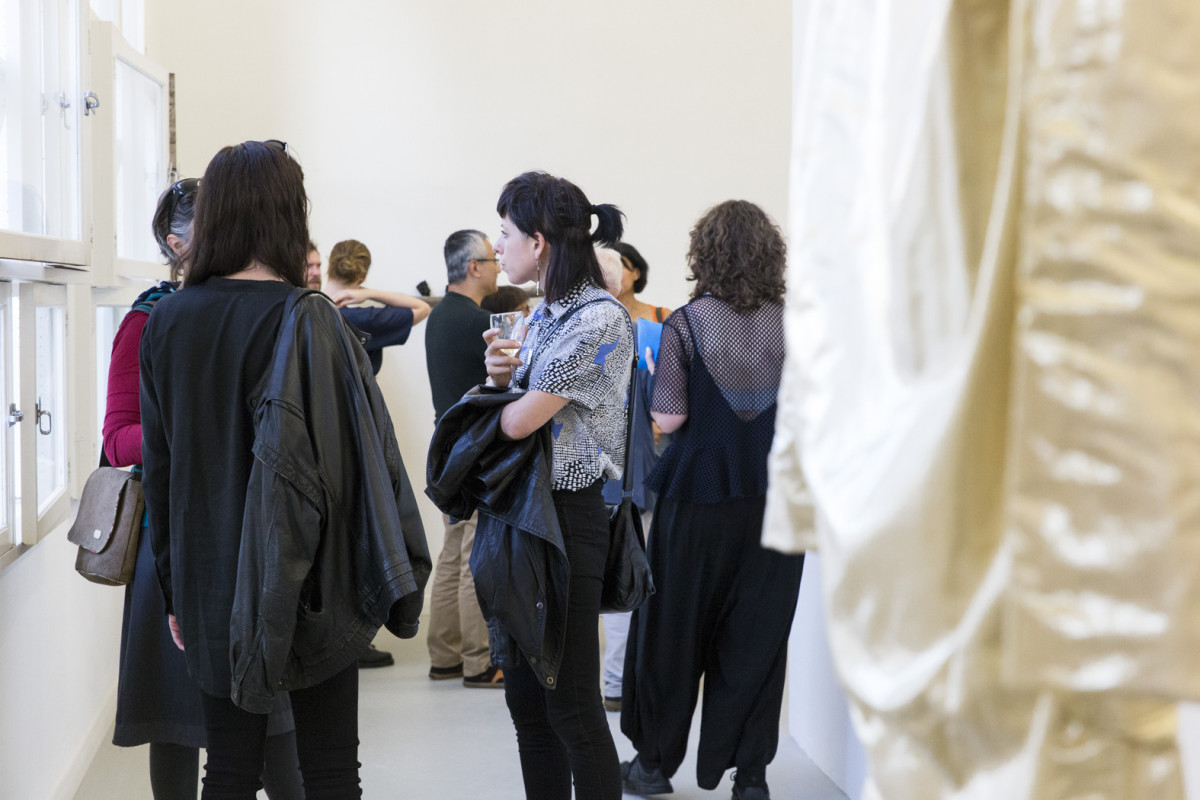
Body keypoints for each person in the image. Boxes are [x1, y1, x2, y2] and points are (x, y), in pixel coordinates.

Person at [140, 140, 430, 798]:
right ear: (288, 213)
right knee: (329, 770)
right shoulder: (312, 319)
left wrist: (177, 591)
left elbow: (162, 472)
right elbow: (350, 468)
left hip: (211, 573)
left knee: (229, 769)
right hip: (314, 576)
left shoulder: (168, 319)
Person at [103, 177, 303, 800]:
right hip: (172, 537)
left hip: (253, 528)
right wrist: (194, 437)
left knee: (274, 724)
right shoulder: (149, 320)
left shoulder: (260, 308)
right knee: (175, 723)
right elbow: (117, 439)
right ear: (176, 242)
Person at [619, 201, 804, 800]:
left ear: (707, 254)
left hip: (697, 500)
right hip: (774, 502)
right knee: (759, 638)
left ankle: (653, 767)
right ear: (770, 255)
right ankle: (750, 777)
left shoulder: (687, 324)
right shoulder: (797, 324)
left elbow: (670, 418)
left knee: (672, 631)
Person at [481, 170, 633, 800]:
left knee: (570, 704)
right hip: (525, 515)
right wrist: (498, 380)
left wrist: (494, 406)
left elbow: (519, 423)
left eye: (505, 232)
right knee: (527, 704)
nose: (497, 245)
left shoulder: (598, 319)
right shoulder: (542, 314)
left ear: (538, 242)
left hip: (567, 520)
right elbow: (514, 407)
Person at [423, 229, 505, 688]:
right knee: (475, 556)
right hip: (476, 453)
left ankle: (444, 656)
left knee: (453, 553)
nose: (498, 266)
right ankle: (479, 661)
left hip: (448, 451)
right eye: (492, 259)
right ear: (474, 267)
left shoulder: (440, 315)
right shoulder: (479, 322)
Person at [598, 241, 673, 714]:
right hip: (624, 471)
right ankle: (619, 680)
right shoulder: (637, 332)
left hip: (624, 468)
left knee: (624, 572)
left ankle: (621, 679)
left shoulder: (656, 322)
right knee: (627, 570)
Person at [324, 238, 431, 376]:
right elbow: (423, 308)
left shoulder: (306, 306)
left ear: (328, 266)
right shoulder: (365, 319)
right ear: (362, 279)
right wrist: (369, 293)